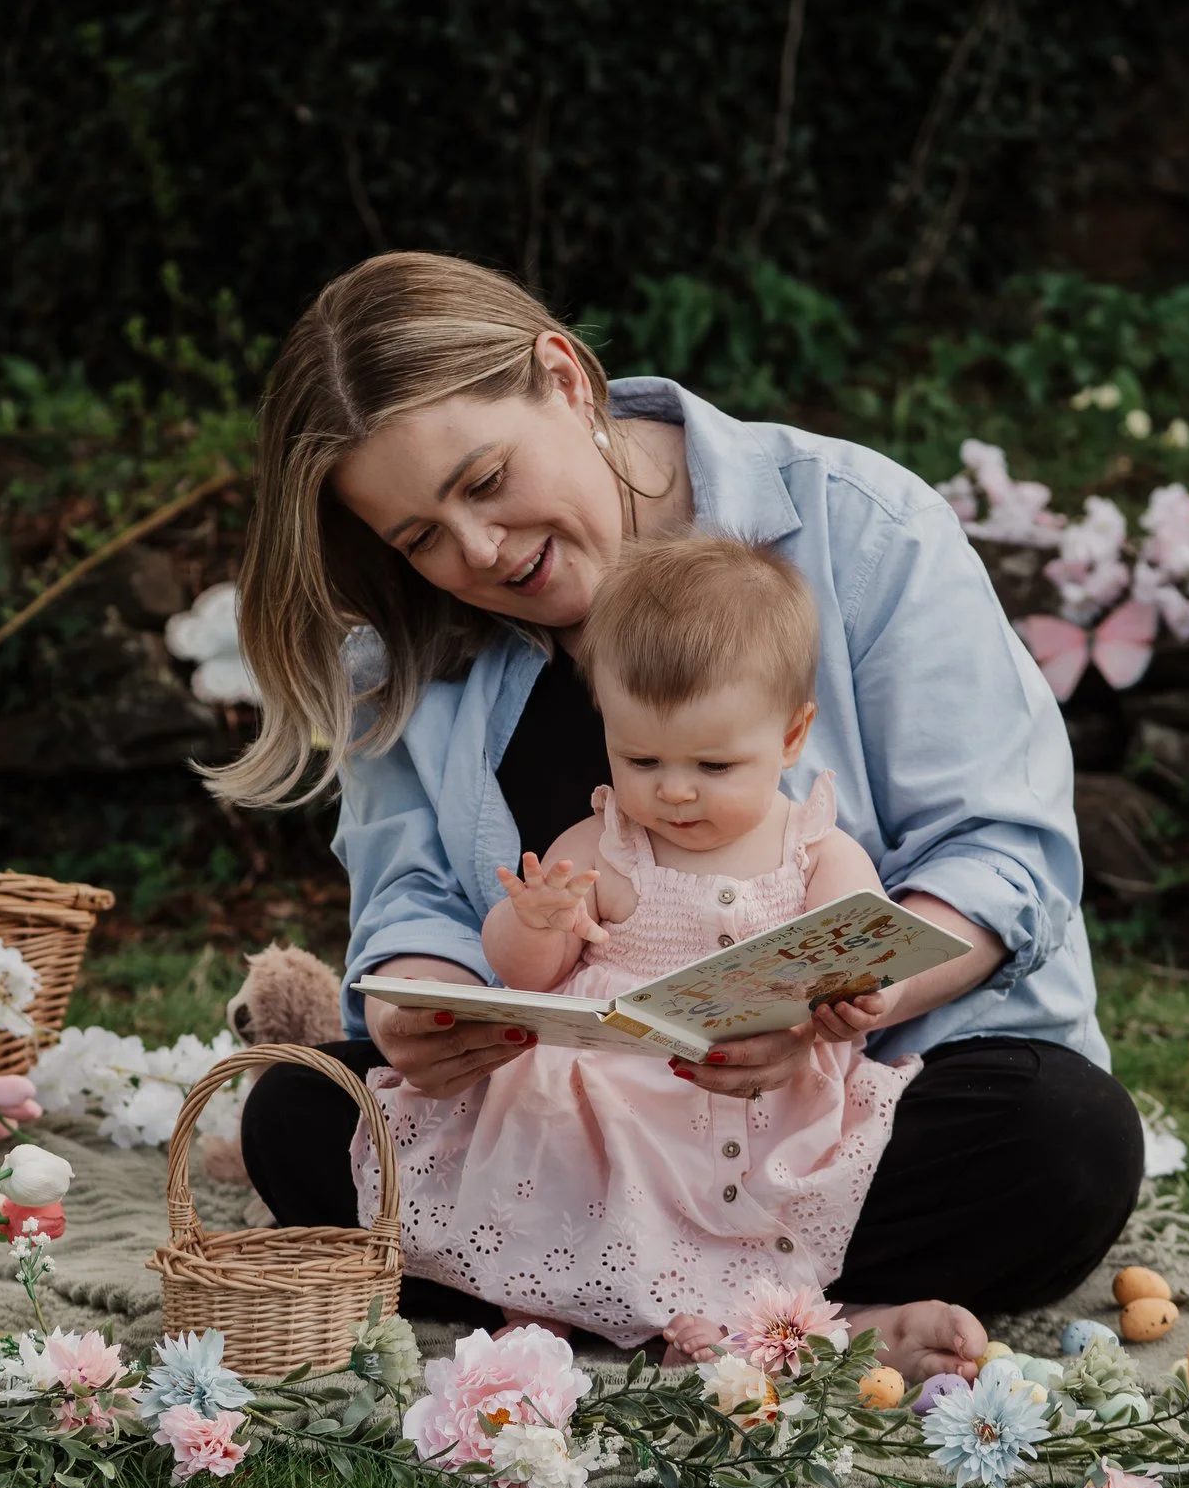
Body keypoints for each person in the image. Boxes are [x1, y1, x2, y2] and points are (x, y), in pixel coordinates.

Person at [208, 251, 1143, 1385]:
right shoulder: (411, 641)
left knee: (1067, 1141)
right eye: (419, 537)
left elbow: (1002, 854)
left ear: (564, 379)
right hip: (576, 1123)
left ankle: (575, 1291)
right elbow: (411, 897)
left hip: (844, 1108)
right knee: (298, 1115)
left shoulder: (858, 525)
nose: (477, 551)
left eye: (486, 480)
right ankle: (799, 1315)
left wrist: (830, 1005)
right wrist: (421, 1001)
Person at [352, 533, 918, 1355]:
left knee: (815, 1182)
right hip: (616, 1083)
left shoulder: (815, 848)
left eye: (715, 765)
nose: (675, 790)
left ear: (792, 736)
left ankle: (728, 1314)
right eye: (641, 757)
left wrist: (862, 996)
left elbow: (865, 955)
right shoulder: (607, 843)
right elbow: (527, 975)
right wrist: (536, 921)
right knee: (557, 1125)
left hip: (757, 1089)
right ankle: (550, 1295)